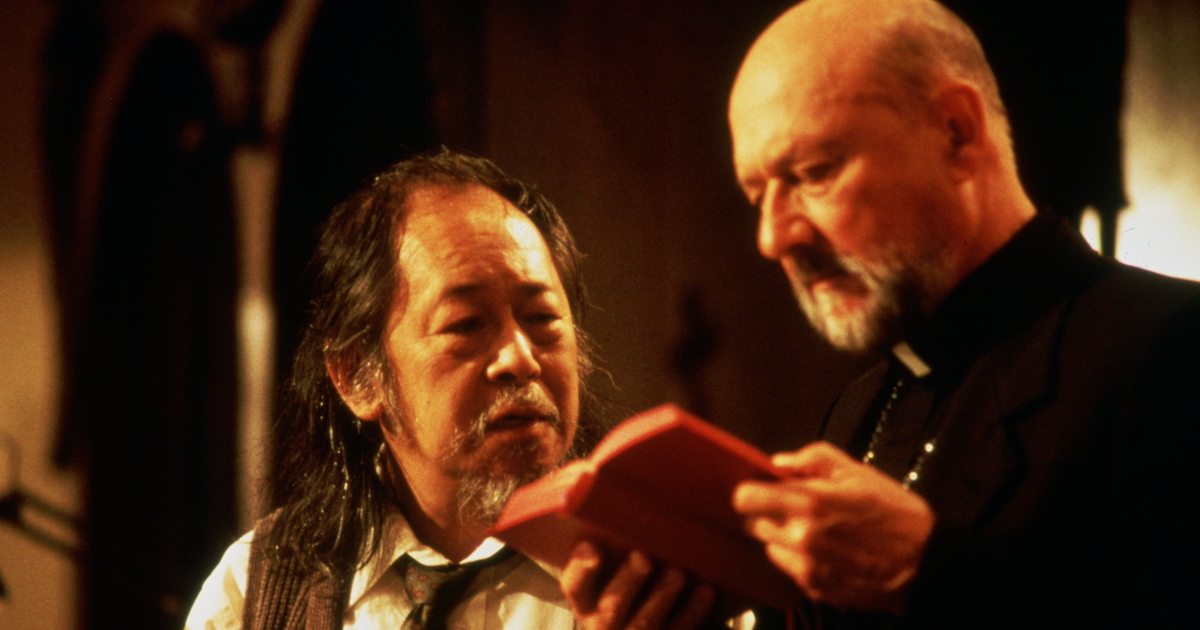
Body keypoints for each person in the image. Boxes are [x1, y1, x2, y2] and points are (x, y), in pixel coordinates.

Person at [724, 0, 1200, 627]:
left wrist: (928, 572)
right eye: (759, 196)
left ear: (956, 130)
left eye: (813, 173)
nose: (774, 238)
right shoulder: (854, 413)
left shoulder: (1171, 346)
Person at [185, 150, 712, 630]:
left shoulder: (659, 571)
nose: (519, 358)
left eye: (541, 318)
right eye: (466, 325)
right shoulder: (255, 593)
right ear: (357, 377)